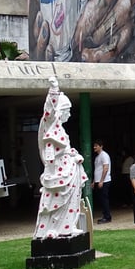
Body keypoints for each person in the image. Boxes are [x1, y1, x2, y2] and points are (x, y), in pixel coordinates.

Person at [34, 79, 89, 239]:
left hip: (68, 169)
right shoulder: (51, 125)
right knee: (57, 200)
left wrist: (73, 156)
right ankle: (51, 228)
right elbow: (49, 111)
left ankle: (67, 227)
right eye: (67, 111)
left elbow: (65, 150)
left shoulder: (61, 130)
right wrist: (54, 90)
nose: (69, 114)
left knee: (71, 199)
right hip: (58, 172)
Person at [92, 140, 112, 224]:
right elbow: (97, 170)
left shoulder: (104, 155)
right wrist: (94, 181)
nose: (94, 147)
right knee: (101, 199)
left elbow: (106, 168)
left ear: (101, 146)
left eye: (96, 146)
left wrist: (101, 181)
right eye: (94, 146)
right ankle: (104, 215)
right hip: (98, 181)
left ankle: (107, 217)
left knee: (104, 199)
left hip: (104, 181)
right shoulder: (97, 157)